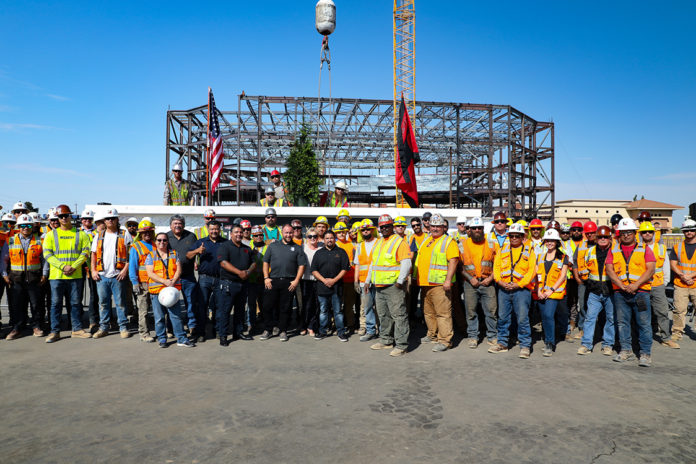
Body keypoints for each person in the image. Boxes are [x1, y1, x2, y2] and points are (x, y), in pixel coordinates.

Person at [606, 218, 655, 367]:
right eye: (623, 233)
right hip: (621, 293)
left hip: (640, 293)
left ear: (635, 233)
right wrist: (621, 285)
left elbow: (650, 269)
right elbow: (609, 269)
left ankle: (645, 353)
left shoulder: (644, 248)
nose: (626, 235)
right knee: (622, 323)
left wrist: (636, 285)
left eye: (629, 232)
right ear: (619, 234)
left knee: (644, 323)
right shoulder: (613, 249)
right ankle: (625, 350)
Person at [42, 204, 92, 342]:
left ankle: (77, 329)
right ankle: (55, 331)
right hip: (57, 276)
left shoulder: (80, 233)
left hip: (75, 275)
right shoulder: (51, 235)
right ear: (57, 218)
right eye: (61, 216)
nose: (63, 218)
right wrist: (63, 266)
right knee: (56, 304)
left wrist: (74, 266)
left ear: (70, 216)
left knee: (76, 303)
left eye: (66, 215)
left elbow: (85, 252)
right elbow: (47, 254)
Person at [365, 215, 412, 357]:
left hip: (393, 286)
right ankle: (386, 341)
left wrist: (400, 280)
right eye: (382, 227)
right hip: (379, 286)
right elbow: (373, 264)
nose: (384, 229)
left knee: (399, 315)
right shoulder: (379, 243)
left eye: (387, 226)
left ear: (392, 226)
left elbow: (406, 262)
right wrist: (368, 280)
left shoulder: (399, 242)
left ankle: (402, 345)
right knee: (383, 315)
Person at [489, 223, 536, 358]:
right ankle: (502, 343)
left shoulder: (529, 250)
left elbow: (531, 271)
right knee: (503, 317)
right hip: (504, 288)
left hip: (521, 290)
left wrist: (519, 284)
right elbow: (496, 267)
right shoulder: (503, 249)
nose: (514, 238)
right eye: (512, 236)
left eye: (517, 236)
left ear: (522, 237)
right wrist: (500, 281)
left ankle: (525, 345)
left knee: (522, 318)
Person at [413, 213, 459, 352]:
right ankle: (432, 335)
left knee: (443, 313)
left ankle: (445, 341)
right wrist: (416, 277)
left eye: (438, 226)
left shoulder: (448, 242)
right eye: (433, 226)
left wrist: (448, 280)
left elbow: (454, 260)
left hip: (440, 285)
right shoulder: (427, 240)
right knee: (428, 312)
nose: (435, 228)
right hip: (425, 284)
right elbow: (419, 259)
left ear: (443, 227)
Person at [1, 214, 49, 339]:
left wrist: (44, 274)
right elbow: (4, 259)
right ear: (19, 227)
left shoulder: (39, 240)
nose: (25, 228)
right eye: (22, 226)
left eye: (28, 225)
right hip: (16, 279)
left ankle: (36, 326)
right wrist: (4, 274)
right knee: (17, 305)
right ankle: (17, 328)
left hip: (34, 278)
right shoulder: (11, 240)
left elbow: (44, 260)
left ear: (32, 226)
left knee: (36, 304)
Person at [145, 232, 195, 348]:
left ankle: (181, 338)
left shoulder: (174, 253)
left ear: (168, 242)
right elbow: (150, 273)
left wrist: (172, 281)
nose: (162, 242)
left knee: (176, 316)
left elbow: (179, 269)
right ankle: (162, 339)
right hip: (157, 291)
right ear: (156, 241)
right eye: (159, 240)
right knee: (159, 317)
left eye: (164, 240)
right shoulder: (151, 255)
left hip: (172, 291)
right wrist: (164, 281)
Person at [260, 224, 306, 342]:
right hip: (273, 281)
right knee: (267, 307)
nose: (288, 235)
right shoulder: (273, 246)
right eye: (286, 232)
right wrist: (266, 277)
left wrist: (296, 281)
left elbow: (302, 266)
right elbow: (265, 262)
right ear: (282, 232)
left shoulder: (297, 248)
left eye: (290, 232)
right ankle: (268, 330)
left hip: (289, 282)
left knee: (285, 308)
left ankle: (283, 330)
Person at [91, 208, 132, 339]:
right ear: (104, 220)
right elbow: (93, 254)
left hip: (117, 275)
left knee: (120, 302)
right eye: (108, 219)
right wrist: (93, 270)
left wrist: (125, 270)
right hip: (102, 276)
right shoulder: (99, 235)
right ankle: (103, 327)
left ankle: (123, 327)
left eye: (112, 218)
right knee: (103, 302)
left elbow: (131, 255)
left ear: (117, 220)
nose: (110, 221)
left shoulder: (124, 234)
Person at [577, 225, 616, 356]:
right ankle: (586, 344)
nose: (603, 239)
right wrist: (587, 281)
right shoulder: (590, 252)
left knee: (610, 319)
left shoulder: (615, 251)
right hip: (594, 292)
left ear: (610, 238)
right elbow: (584, 269)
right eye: (600, 237)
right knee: (590, 318)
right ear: (596, 238)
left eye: (606, 237)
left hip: (610, 291)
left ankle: (607, 344)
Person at [460, 217, 497, 348]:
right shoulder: (462, 244)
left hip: (488, 283)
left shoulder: (492, 243)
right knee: (471, 312)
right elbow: (459, 266)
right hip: (470, 283)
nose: (477, 230)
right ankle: (473, 336)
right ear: (469, 230)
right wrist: (471, 279)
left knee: (491, 312)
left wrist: (490, 278)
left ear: (483, 229)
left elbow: (498, 265)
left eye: (479, 228)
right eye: (474, 228)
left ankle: (492, 336)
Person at [638, 222, 677, 349]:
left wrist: (665, 282)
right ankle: (641, 337)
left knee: (662, 312)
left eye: (650, 232)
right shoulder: (637, 248)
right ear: (641, 234)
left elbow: (665, 265)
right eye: (644, 232)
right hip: (642, 286)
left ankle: (666, 338)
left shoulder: (660, 248)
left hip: (657, 285)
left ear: (654, 234)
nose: (647, 234)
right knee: (642, 312)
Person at [216, 225, 256, 345]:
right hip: (229, 283)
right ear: (231, 234)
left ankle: (238, 332)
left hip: (243, 284)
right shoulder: (225, 246)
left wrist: (248, 272)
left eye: (240, 232)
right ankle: (223, 336)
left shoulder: (247, 248)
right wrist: (239, 272)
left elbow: (254, 263)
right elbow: (223, 263)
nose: (239, 234)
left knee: (240, 311)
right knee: (225, 311)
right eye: (236, 232)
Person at [166, 214, 203, 341]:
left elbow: (196, 252)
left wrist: (195, 262)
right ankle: (170, 328)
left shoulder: (191, 236)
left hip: (188, 276)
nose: (177, 225)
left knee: (191, 302)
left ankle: (192, 326)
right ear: (171, 225)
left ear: (184, 225)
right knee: (171, 303)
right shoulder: (166, 237)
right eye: (175, 223)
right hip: (172, 278)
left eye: (180, 223)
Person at [189, 219, 227, 339]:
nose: (214, 231)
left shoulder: (226, 243)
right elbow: (188, 255)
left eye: (216, 229)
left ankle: (217, 330)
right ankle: (201, 332)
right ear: (208, 230)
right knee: (202, 306)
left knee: (219, 306)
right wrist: (197, 251)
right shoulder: (201, 242)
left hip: (221, 279)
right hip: (205, 279)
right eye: (212, 229)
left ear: (219, 230)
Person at [534, 229, 569, 357]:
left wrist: (551, 290)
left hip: (553, 293)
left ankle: (550, 343)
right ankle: (547, 337)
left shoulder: (563, 257)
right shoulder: (540, 257)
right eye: (547, 240)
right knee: (544, 317)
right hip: (541, 293)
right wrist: (538, 290)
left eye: (552, 240)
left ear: (557, 242)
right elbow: (537, 275)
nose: (549, 243)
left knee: (549, 315)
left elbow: (562, 276)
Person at [312, 230, 351, 341]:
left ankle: (341, 332)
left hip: (336, 287)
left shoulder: (341, 252)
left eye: (331, 238)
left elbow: (344, 269)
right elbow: (314, 270)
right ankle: (322, 331)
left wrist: (334, 280)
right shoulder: (319, 253)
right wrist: (324, 280)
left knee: (338, 311)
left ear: (335, 239)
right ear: (323, 240)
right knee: (323, 310)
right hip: (322, 287)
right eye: (327, 238)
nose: (329, 240)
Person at [669, 218, 696, 345]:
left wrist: (690, 275)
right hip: (681, 284)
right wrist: (682, 275)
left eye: (691, 230)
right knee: (679, 309)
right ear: (683, 232)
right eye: (686, 230)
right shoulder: (677, 247)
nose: (689, 232)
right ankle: (677, 332)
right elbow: (673, 264)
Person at [129, 219, 156, 342]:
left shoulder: (157, 244)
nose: (147, 234)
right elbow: (133, 266)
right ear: (140, 233)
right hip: (143, 283)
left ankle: (161, 331)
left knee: (158, 310)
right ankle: (144, 334)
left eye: (149, 232)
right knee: (143, 311)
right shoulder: (136, 247)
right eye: (144, 232)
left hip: (156, 282)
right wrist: (135, 282)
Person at [571, 221, 597, 340]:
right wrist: (577, 277)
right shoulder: (581, 246)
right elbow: (575, 262)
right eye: (588, 233)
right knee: (582, 305)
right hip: (583, 281)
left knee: (597, 306)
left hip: (597, 282)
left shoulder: (601, 245)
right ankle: (582, 329)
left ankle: (597, 329)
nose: (590, 235)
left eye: (592, 233)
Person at [354, 219, 379, 341]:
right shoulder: (359, 246)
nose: (365, 231)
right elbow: (357, 265)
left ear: (373, 230)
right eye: (363, 230)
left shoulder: (379, 243)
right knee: (368, 308)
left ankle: (382, 330)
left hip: (378, 280)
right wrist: (356, 281)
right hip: (364, 282)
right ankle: (370, 331)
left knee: (381, 308)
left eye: (368, 229)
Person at [334, 221, 357, 332]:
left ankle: (350, 324)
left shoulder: (351, 244)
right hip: (338, 280)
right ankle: (336, 324)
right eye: (339, 232)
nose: (341, 234)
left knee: (349, 304)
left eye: (343, 232)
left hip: (350, 279)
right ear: (336, 234)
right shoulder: (334, 244)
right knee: (337, 304)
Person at [300, 228, 322, 336]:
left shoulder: (321, 248)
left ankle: (311, 326)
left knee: (316, 304)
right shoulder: (302, 248)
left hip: (317, 280)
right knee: (306, 304)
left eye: (315, 236)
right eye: (310, 236)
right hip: (305, 279)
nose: (312, 238)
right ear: (306, 238)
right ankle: (303, 325)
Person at [247, 225, 267, 334]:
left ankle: (264, 325)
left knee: (264, 304)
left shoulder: (268, 247)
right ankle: (251, 325)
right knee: (251, 304)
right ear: (252, 236)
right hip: (251, 281)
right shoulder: (248, 246)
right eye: (256, 235)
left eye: (260, 235)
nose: (259, 237)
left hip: (264, 280)